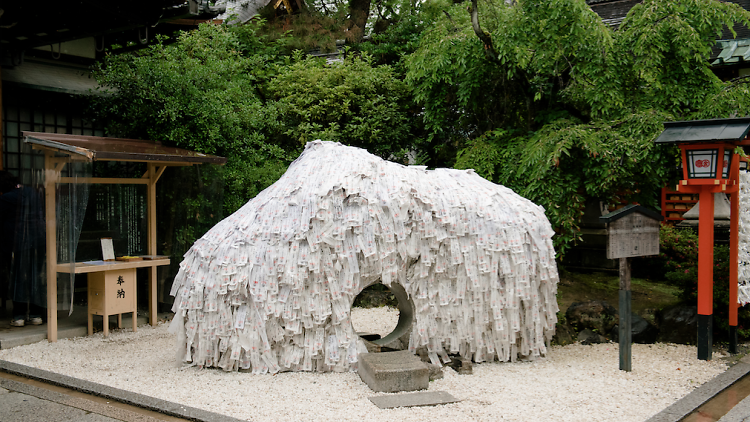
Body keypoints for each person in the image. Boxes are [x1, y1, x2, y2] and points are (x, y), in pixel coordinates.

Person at [0, 171, 46, 327]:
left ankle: (19, 316)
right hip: (39, 241)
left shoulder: (5, 199)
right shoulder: (32, 192)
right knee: (36, 277)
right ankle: (36, 315)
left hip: (18, 243)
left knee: (18, 278)